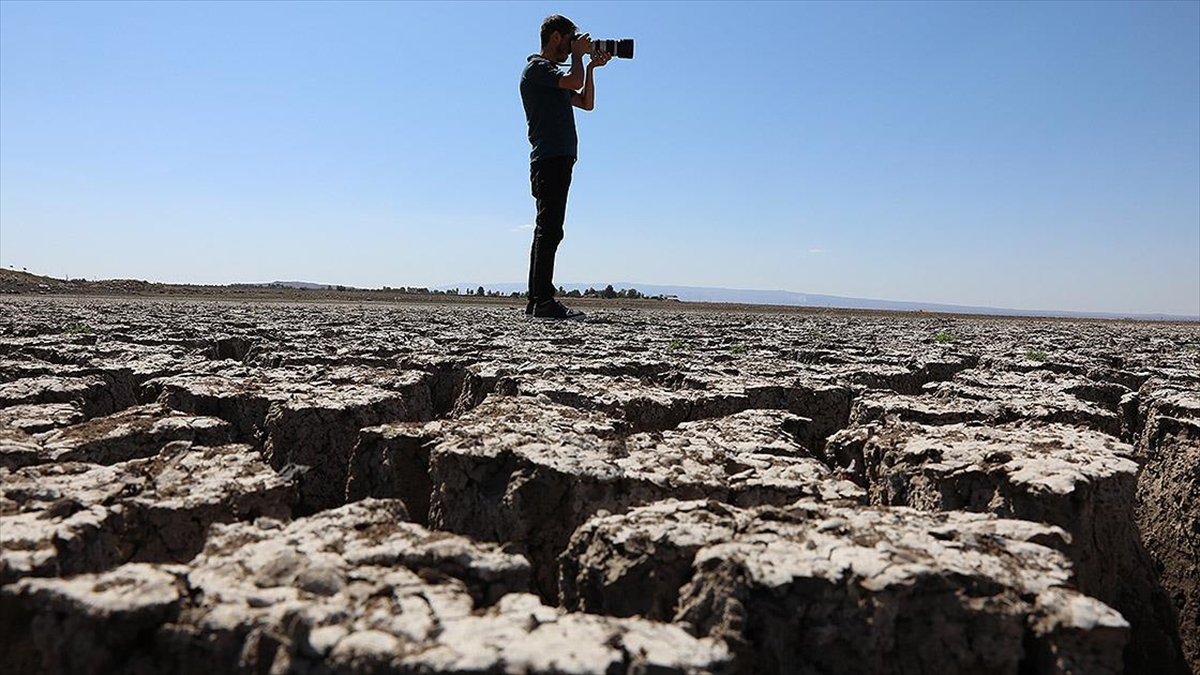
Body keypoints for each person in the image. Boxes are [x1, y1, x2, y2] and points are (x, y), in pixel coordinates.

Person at [520, 14, 611, 320]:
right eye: (571, 39)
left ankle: (538, 301)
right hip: (549, 158)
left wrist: (591, 68)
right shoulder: (537, 69)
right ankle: (543, 300)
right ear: (556, 37)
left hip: (557, 158)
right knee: (549, 230)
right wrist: (577, 58)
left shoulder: (552, 76)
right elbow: (573, 81)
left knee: (548, 230)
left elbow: (586, 102)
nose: (575, 45)